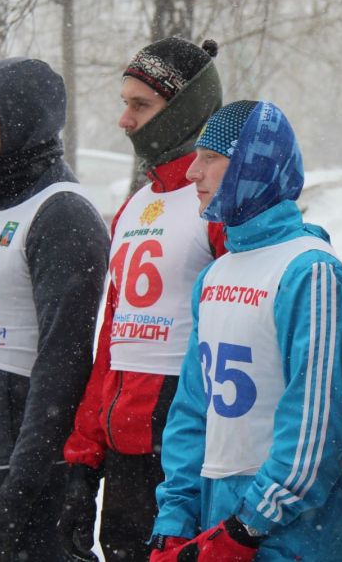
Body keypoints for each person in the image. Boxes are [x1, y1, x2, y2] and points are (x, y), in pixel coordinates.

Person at [148, 100, 342, 561]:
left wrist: (247, 527)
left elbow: (315, 427)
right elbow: (192, 406)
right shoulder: (217, 273)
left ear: (253, 165)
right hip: (216, 520)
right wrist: (175, 519)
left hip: (297, 537)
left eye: (211, 158)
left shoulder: (310, 273)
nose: (193, 173)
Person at [0, 57, 109, 561]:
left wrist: (16, 499)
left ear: (22, 116)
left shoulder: (63, 214)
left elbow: (62, 369)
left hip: (24, 475)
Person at [60, 37, 226, 561]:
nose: (125, 120)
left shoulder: (219, 204)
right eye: (124, 103)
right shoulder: (134, 207)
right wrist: (83, 462)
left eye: (141, 105)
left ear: (185, 109)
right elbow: (112, 340)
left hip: (186, 457)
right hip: (125, 452)